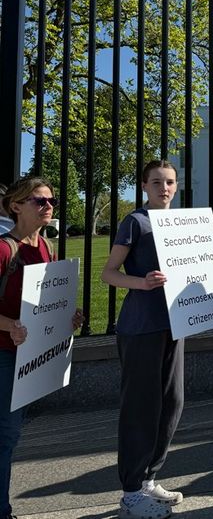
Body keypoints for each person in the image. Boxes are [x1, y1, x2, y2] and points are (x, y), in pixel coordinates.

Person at [101, 160, 213, 519]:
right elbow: (108, 274)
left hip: (174, 323)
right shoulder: (135, 222)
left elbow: (189, 268)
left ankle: (148, 478)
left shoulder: (184, 224)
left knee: (172, 402)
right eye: (157, 181)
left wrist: (212, 268)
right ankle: (130, 491)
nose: (164, 188)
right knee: (140, 408)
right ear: (144, 185)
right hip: (141, 325)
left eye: (170, 182)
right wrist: (141, 282)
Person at [0, 177, 83, 519]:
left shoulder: (47, 249)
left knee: (8, 435)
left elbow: (45, 304)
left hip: (28, 357)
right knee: (7, 436)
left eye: (51, 201)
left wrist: (68, 316)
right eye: (39, 201)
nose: (48, 206)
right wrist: (9, 326)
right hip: (4, 354)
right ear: (16, 206)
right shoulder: (5, 249)